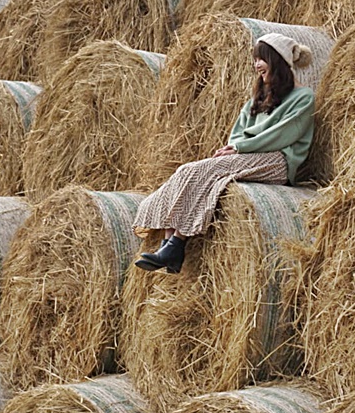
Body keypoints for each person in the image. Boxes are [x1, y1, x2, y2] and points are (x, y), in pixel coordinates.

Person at [133, 32, 316, 274]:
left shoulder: (303, 97)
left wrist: (241, 148)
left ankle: (176, 243)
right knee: (187, 170)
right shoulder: (258, 99)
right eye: (255, 60)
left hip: (278, 160)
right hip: (248, 155)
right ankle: (169, 244)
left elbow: (284, 134)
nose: (256, 65)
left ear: (278, 61)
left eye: (262, 59)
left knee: (208, 170)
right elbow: (238, 132)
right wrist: (234, 147)